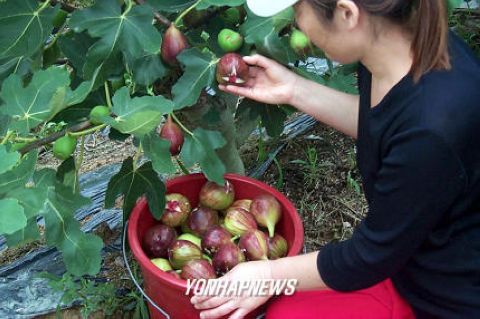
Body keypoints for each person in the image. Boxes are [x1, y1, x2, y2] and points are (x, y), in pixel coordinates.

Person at [190, 0, 480, 318]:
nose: (297, 25)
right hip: (411, 264)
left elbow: (369, 256)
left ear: (346, 13)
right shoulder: (400, 50)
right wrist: (293, 90)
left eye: (299, 9)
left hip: (447, 299)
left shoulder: (433, 126)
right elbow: (384, 124)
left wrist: (266, 276)